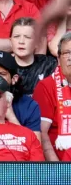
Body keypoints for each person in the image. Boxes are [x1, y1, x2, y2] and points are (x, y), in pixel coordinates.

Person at [32, 32, 71, 161]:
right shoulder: (46, 86)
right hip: (62, 162)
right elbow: (42, 133)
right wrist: (57, 169)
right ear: (59, 59)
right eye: (67, 53)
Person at [10, 17, 56, 94]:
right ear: (10, 41)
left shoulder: (49, 65)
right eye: (16, 37)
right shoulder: (3, 66)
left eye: (27, 37)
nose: (21, 41)